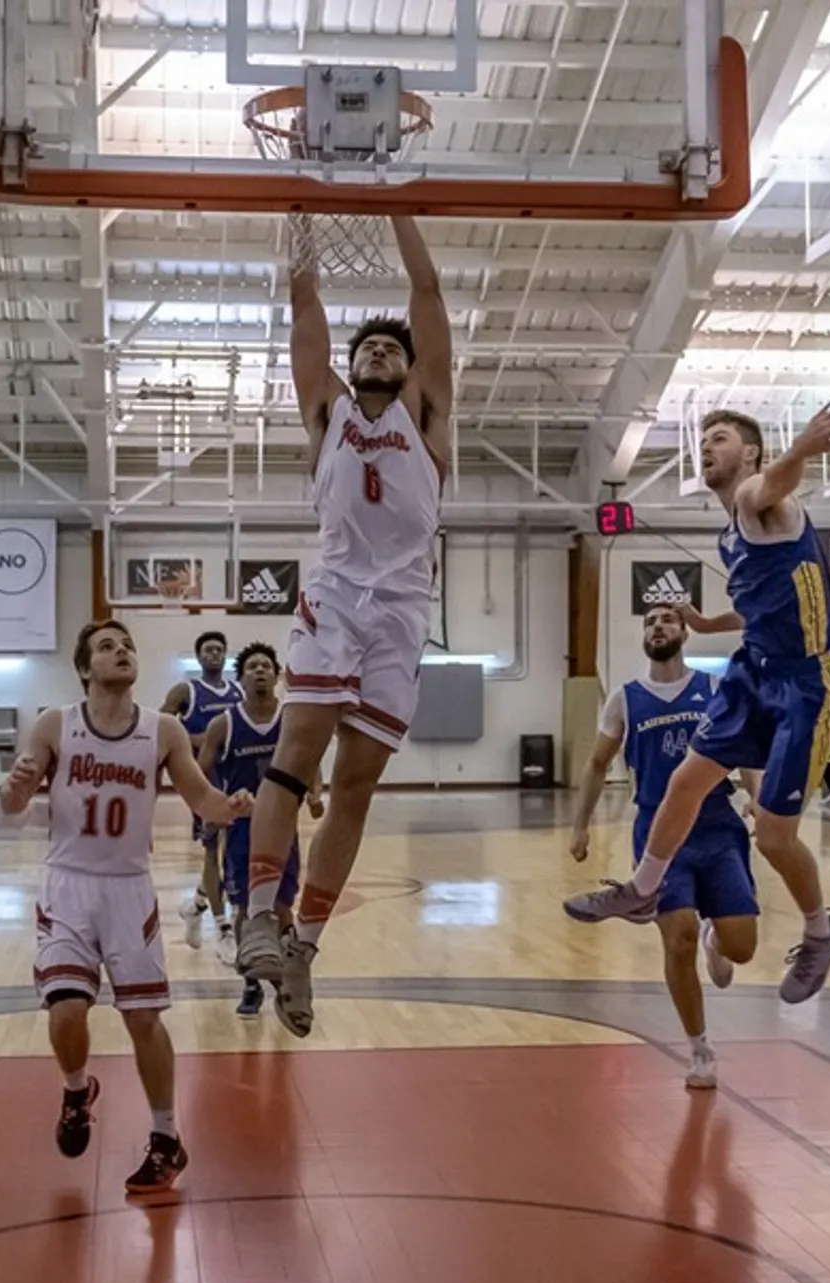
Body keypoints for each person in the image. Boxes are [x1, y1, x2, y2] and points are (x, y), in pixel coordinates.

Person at [563, 402, 830, 1006]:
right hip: (753, 672)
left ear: (749, 452)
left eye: (718, 438)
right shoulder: (732, 535)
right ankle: (644, 888)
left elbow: (772, 484)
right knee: (685, 782)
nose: (706, 447)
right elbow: (758, 611)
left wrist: (801, 450)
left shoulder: (757, 499)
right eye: (702, 441)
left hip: (807, 685)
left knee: (774, 839)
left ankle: (820, 931)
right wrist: (707, 622)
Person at [233, 214, 450, 1037]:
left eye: (392, 348)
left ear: (410, 367)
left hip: (402, 612)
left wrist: (397, 207)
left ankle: (305, 949)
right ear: (350, 367)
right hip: (335, 594)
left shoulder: (428, 412)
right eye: (369, 347)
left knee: (355, 785)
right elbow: (304, 307)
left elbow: (426, 291)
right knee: (297, 754)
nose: (380, 352)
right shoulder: (326, 410)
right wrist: (301, 216)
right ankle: (261, 913)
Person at [0, 620, 249, 1193]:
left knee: (142, 1018)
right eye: (107, 647)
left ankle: (166, 1137)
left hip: (128, 888)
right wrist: (15, 786)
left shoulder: (163, 730)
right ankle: (76, 1090)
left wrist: (233, 806)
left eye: (128, 645)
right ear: (84, 668)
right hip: (68, 884)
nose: (122, 652)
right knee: (66, 1008)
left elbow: (202, 799)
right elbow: (14, 805)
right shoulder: (55, 724)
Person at [568, 605, 758, 1088]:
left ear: (685, 632)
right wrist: (580, 825)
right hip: (659, 830)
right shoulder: (625, 699)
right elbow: (597, 764)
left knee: (742, 947)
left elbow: (744, 749)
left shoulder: (715, 689)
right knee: (678, 938)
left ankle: (718, 938)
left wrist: (758, 798)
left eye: (668, 620)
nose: (658, 626)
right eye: (650, 621)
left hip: (717, 825)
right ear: (643, 636)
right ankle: (700, 1049)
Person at [198, 642, 323, 1017]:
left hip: (283, 826)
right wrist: (212, 807)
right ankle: (250, 983)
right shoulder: (224, 724)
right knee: (245, 908)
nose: (260, 671)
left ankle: (285, 976)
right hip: (241, 828)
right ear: (241, 678)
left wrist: (315, 793)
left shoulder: (291, 720)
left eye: (266, 666)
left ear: (277, 675)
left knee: (283, 907)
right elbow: (201, 770)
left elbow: (310, 760)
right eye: (252, 667)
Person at [163, 630, 243, 951]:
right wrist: (197, 740)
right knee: (212, 849)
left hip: (236, 776)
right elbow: (162, 724)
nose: (213, 654)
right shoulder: (187, 691)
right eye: (208, 650)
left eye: (219, 649)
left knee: (234, 850)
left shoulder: (238, 691)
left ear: (225, 655)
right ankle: (223, 928)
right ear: (198, 657)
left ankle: (196, 906)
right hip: (203, 779)